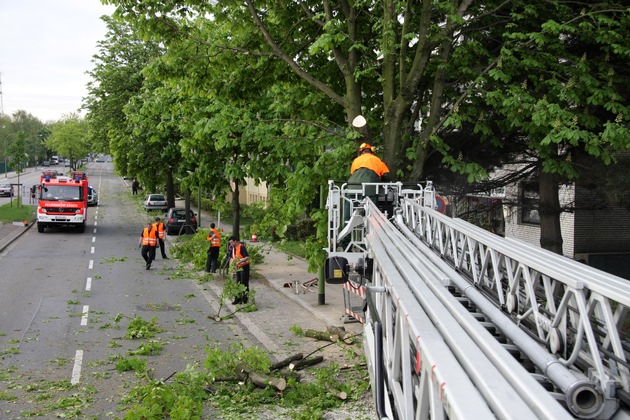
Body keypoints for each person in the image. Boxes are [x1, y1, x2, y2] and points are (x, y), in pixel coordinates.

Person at [228, 236, 250, 304]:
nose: (231, 243)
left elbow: (247, 257)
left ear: (235, 241)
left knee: (244, 283)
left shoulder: (241, 247)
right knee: (238, 283)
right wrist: (232, 268)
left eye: (232, 242)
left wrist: (239, 261)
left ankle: (244, 299)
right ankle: (237, 298)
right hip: (237, 268)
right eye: (230, 242)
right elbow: (232, 258)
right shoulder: (233, 248)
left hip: (244, 267)